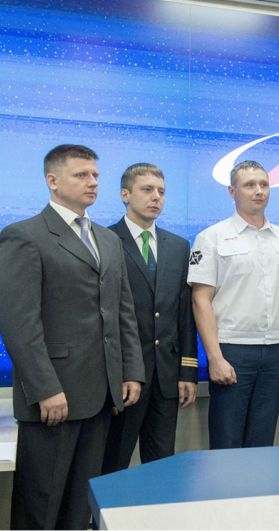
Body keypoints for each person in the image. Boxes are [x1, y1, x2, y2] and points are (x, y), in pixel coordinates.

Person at [0, 144, 144, 529]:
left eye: (95, 175)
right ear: (52, 180)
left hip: (101, 396)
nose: (93, 182)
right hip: (54, 397)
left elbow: (121, 312)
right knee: (41, 506)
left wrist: (130, 371)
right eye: (81, 175)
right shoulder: (24, 236)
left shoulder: (107, 239)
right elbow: (19, 323)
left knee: (81, 507)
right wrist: (45, 388)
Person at [188, 160, 279, 449]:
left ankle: (258, 495)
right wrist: (214, 358)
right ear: (231, 191)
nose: (258, 191)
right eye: (250, 185)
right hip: (232, 350)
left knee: (262, 443)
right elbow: (201, 299)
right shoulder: (211, 237)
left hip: (274, 351)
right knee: (227, 442)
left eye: (263, 184)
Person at [102, 163, 198, 473]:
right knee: (113, 461)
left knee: (161, 463)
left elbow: (185, 313)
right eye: (147, 190)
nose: (156, 197)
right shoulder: (105, 241)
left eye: (161, 192)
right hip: (124, 375)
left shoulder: (178, 246)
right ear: (125, 195)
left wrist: (187, 372)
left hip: (167, 376)